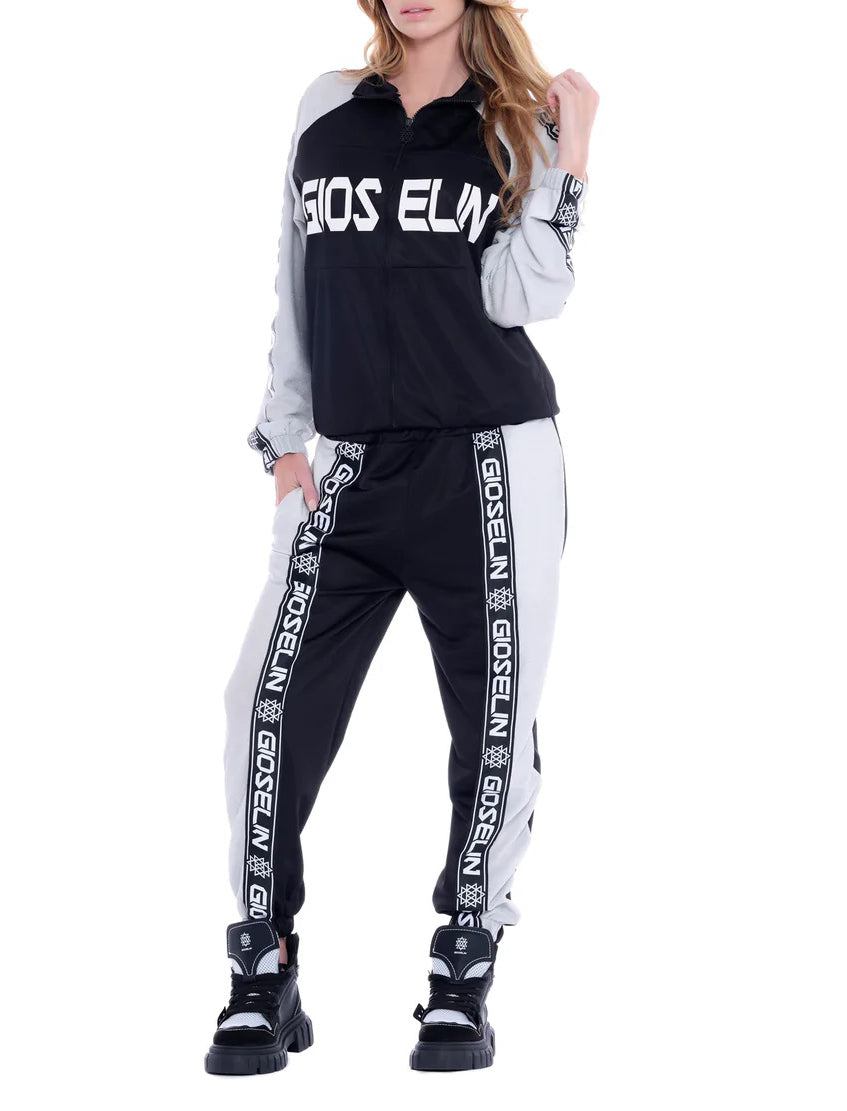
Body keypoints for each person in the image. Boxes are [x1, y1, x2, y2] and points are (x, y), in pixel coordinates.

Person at [204, 0, 598, 1075]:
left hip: (491, 462)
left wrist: (568, 158)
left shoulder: (516, 119)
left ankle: (463, 962)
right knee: (264, 702)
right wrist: (285, 435)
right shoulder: (327, 108)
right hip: (350, 466)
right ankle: (263, 961)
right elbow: (297, 278)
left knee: (493, 719)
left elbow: (529, 294)